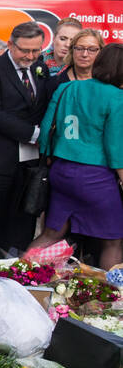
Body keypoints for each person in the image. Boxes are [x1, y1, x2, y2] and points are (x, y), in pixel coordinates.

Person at [28, 43, 123, 267]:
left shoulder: (66, 89)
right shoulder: (117, 97)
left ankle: (16, 276)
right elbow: (115, 147)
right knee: (114, 241)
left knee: (52, 233)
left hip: (61, 170)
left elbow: (45, 134)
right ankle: (111, 299)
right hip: (96, 176)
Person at [0, 20, 52, 257]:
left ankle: (16, 272)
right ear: (10, 45)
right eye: (25, 50)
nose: (30, 56)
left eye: (36, 50)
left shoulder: (42, 69)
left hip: (29, 162)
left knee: (23, 223)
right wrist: (35, 134)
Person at [48, 27, 102, 96]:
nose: (84, 54)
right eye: (79, 48)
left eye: (92, 49)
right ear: (72, 50)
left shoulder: (107, 82)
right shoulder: (55, 84)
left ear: (101, 52)